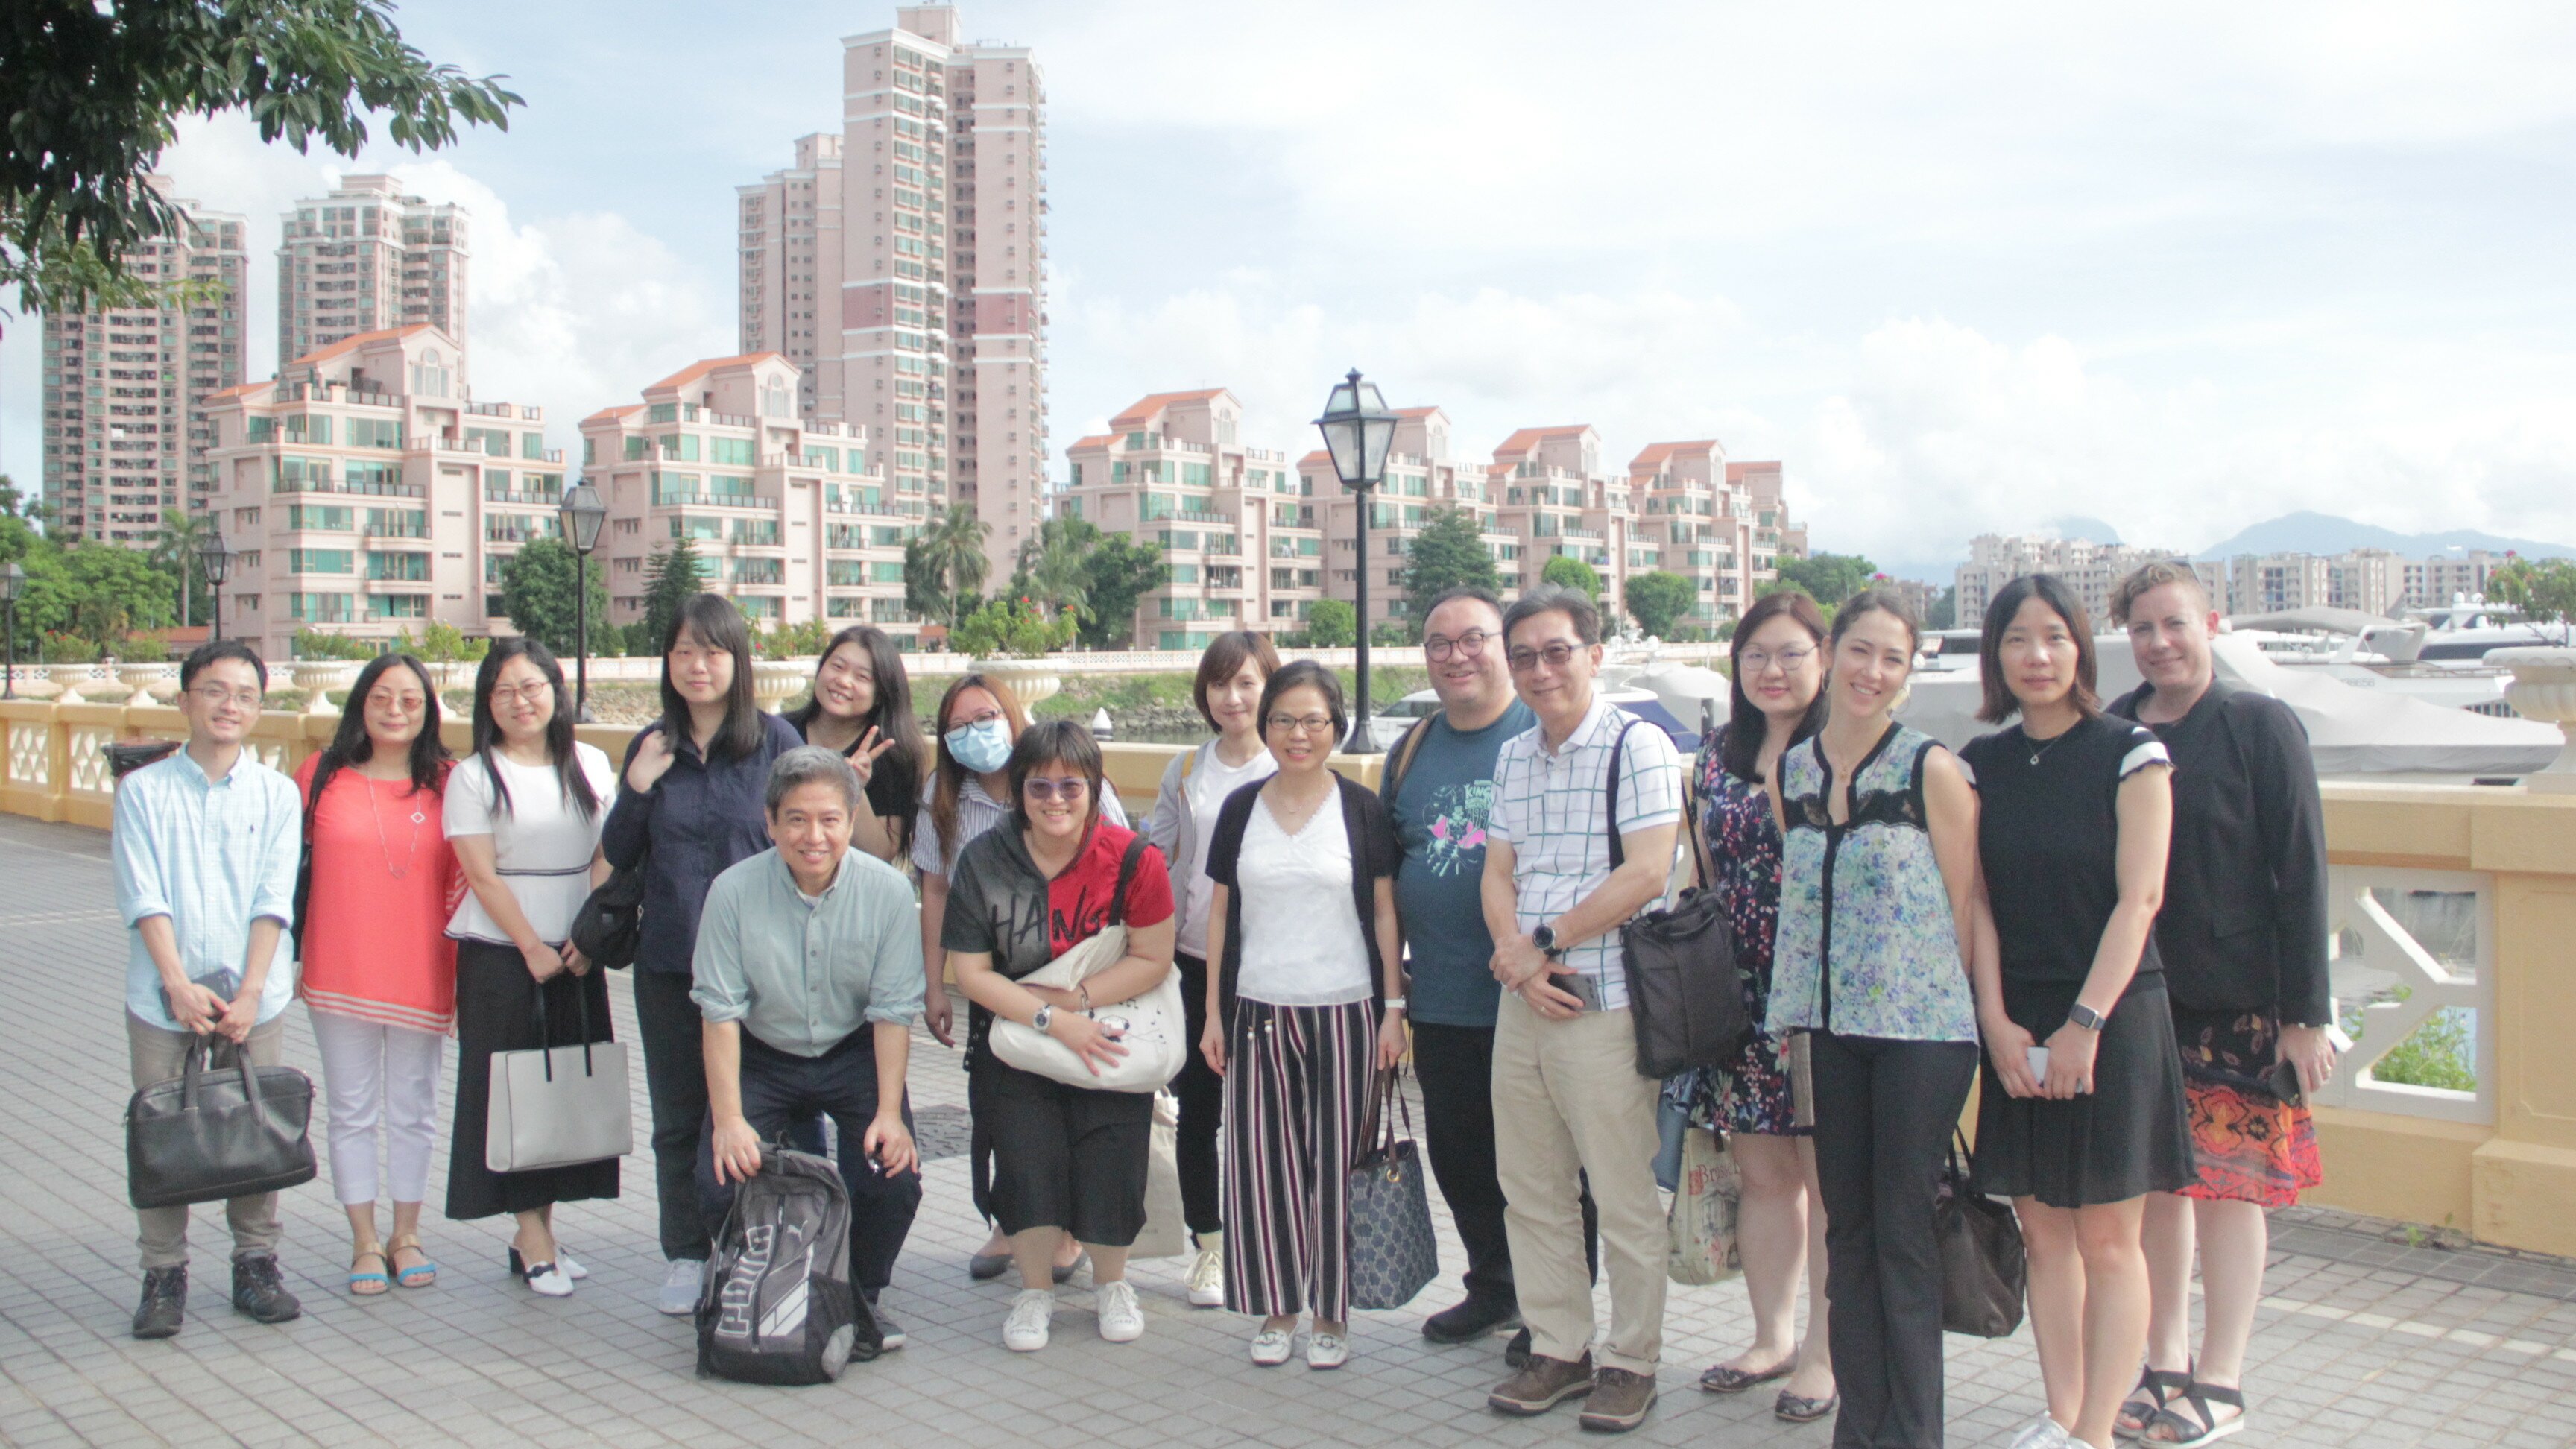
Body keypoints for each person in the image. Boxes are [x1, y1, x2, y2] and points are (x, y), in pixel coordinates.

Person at [1960, 573, 2194, 1449]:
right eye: (2018, 639)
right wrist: (1997, 1024)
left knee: (2106, 1237)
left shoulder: (2130, 751)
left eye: (2054, 636)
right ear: (1996, 657)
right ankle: (2060, 1418)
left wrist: (2083, 1027)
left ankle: (2099, 1430)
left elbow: (2141, 900)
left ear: (2081, 647)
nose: (2037, 656)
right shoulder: (1976, 766)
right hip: (2016, 1024)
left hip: (2113, 1015)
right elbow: (1975, 903)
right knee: (2042, 1231)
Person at [2106, 562, 2335, 1448]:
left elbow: (2302, 866)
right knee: (2157, 1188)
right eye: (2142, 629)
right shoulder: (2116, 728)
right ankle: (2161, 1359)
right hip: (2142, 995)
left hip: (2239, 1001)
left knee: (2229, 1195)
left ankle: (2224, 1378)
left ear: (2210, 622)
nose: (2160, 643)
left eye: (2174, 624)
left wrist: (2304, 1013)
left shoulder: (2256, 724)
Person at [1764, 590, 1983, 1449]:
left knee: (1901, 1232)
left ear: (1909, 671)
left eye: (1892, 658)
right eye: (1859, 651)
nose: (1872, 672)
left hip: (1921, 1032)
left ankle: (1914, 1434)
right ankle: (1861, 1426)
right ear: (1832, 653)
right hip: (1824, 1027)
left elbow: (1965, 905)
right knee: (1848, 1232)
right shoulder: (1795, 769)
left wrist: (1976, 1017)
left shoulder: (1929, 766)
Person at [1479, 585, 1684, 1435]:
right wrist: (1521, 967)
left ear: (1594, 656)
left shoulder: (1639, 746)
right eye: (1522, 655)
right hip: (1526, 999)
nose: (1539, 669)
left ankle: (1633, 1360)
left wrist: (1544, 943)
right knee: (1530, 1187)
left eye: (1556, 651)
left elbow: (1647, 872)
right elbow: (1498, 871)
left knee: (1624, 1190)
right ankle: (1560, 1346)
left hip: (1606, 999)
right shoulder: (1516, 756)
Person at [1380, 587, 1582, 1365]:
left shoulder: (1542, 731)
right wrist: (1393, 999)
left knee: (1550, 1170)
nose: (1456, 655)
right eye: (1438, 643)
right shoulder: (1411, 749)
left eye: (1473, 638)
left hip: (1538, 994)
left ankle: (1555, 1310)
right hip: (1444, 996)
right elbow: (1388, 879)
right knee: (1463, 1159)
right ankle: (1495, 1285)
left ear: (1504, 646)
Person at [601, 594, 810, 1315]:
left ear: (737, 661)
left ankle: (773, 1243)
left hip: (763, 967)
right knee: (679, 1117)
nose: (698, 665)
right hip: (672, 964)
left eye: (713, 651)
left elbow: (809, 846)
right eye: (684, 651)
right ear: (667, 661)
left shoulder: (777, 744)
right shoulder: (652, 746)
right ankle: (688, 1252)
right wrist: (635, 789)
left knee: (770, 1111)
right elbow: (619, 853)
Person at [944, 722, 1176, 1352]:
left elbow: (1154, 955)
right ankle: (1035, 1290)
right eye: (1039, 785)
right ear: (1018, 790)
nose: (1055, 799)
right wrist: (1052, 1021)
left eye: (1070, 785)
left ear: (1093, 788)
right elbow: (970, 971)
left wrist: (1077, 1005)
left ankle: (1112, 1284)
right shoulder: (984, 861)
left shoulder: (1133, 857)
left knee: (1111, 1159)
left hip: (1106, 1030)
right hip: (1018, 1043)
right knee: (1025, 1164)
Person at [1199, 661, 1406, 1369]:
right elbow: (1222, 914)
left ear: (1336, 727)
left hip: (1347, 1009)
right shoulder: (1242, 808)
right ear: (1267, 726)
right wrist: (1213, 1015)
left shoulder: (1361, 808)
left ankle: (1332, 1313)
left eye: (1314, 720)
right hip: (1257, 1009)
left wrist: (1393, 1009)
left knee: (1336, 1166)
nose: (1298, 733)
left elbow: (1384, 913)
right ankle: (1278, 1306)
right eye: (1284, 719)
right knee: (1263, 1166)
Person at [695, 747, 924, 1336]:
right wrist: (728, 1120)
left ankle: (858, 1295)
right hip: (763, 1051)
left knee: (892, 1177)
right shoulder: (731, 892)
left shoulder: (890, 893)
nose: (813, 836)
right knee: (721, 1175)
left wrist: (890, 1114)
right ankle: (761, 1285)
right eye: (796, 819)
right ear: (770, 823)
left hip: (853, 1048)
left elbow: (894, 1011)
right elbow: (720, 1012)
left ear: (851, 821)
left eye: (829, 819)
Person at [114, 640, 306, 1339]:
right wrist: (176, 983)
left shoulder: (277, 793)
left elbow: (273, 899)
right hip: (164, 1001)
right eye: (216, 691)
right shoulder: (143, 791)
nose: (231, 706)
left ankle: (256, 1263)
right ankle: (162, 1272)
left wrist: (254, 990)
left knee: (254, 1128)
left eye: (246, 695)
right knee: (162, 1133)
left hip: (255, 997)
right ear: (186, 698)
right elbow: (143, 894)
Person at [1682, 590, 1839, 1421]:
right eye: (1755, 657)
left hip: (1821, 988)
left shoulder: (1847, 750)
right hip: (1738, 989)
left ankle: (1824, 1351)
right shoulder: (1716, 756)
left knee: (1826, 1177)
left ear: (1824, 657)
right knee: (1763, 1173)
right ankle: (1770, 1335)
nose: (1772, 671)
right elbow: (1705, 868)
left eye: (1789, 654)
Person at [916, 672, 1128, 1280]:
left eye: (984, 718)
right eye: (957, 725)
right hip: (991, 976)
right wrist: (936, 983)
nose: (972, 733)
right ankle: (1009, 1221)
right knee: (999, 1103)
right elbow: (934, 887)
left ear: (1013, 716)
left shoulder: (1061, 776)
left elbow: (1121, 858)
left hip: (1072, 970)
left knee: (1071, 1097)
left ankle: (1066, 1231)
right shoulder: (944, 793)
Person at [443, 639, 619, 1296]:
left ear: (555, 690)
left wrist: (588, 932)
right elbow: (481, 876)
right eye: (505, 691)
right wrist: (532, 947)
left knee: (559, 1092)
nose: (522, 701)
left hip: (576, 949)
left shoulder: (591, 762)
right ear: (488, 703)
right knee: (509, 1095)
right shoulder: (475, 776)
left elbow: (609, 850)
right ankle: (532, 1234)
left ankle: (538, 1232)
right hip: (500, 952)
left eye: (532, 686)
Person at [293, 652, 458, 1298]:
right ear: (361, 703)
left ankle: (407, 1233)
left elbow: (473, 873)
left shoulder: (450, 781)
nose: (396, 711)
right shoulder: (320, 775)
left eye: (411, 700)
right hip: (339, 966)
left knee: (414, 1108)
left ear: (428, 710)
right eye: (383, 697)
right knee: (352, 1109)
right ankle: (364, 1239)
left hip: (423, 965)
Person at [1146, 629, 1280, 1310]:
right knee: (1200, 1113)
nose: (1233, 696)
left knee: (1269, 1117)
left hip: (1272, 969)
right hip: (1195, 961)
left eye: (1248, 682)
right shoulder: (1186, 770)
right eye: (1221, 683)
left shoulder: (1290, 766)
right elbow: (1154, 856)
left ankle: (1273, 1244)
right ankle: (1210, 1246)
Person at [783, 624, 926, 866]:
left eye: (862, 677)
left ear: (881, 693)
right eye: (837, 667)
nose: (843, 681)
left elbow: (881, 854)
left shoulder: (892, 755)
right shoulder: (780, 734)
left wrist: (854, 788)